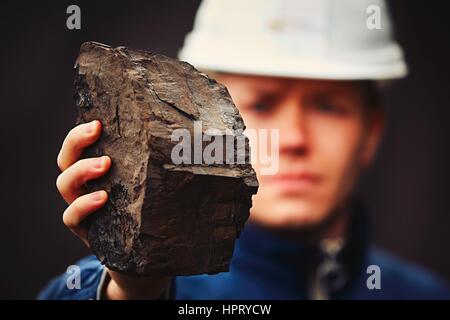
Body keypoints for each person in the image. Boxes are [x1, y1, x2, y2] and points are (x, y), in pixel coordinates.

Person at [39, 0, 450, 299]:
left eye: (328, 107)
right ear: (201, 124)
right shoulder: (130, 289)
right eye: (260, 105)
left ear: (371, 132)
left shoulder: (424, 294)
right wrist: (134, 288)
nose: (293, 138)